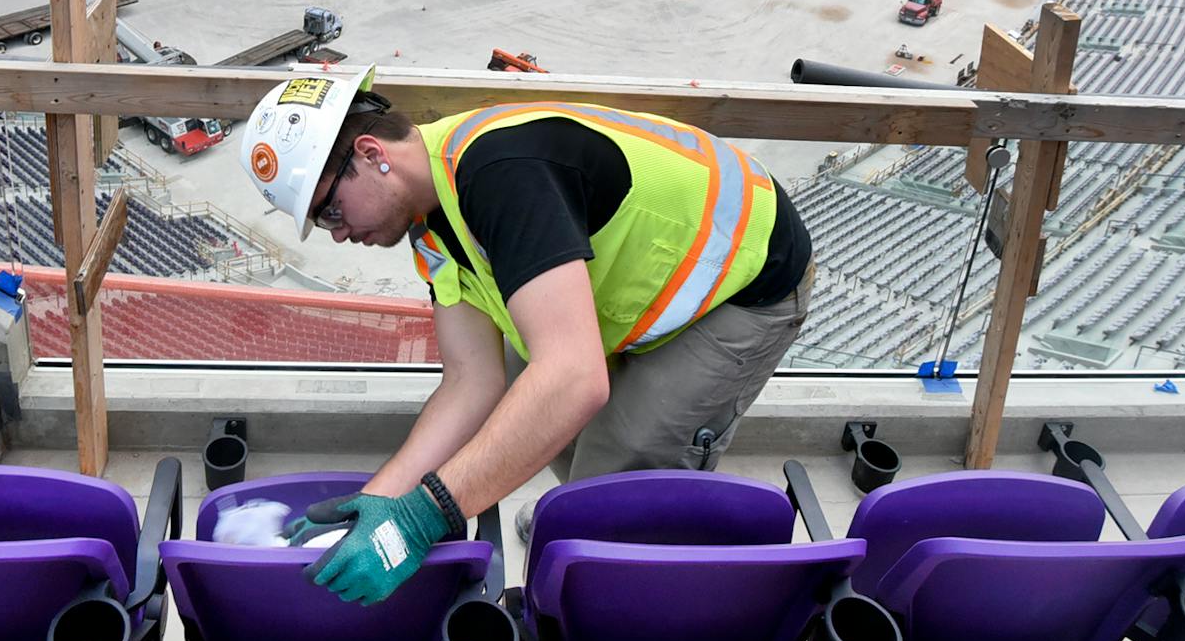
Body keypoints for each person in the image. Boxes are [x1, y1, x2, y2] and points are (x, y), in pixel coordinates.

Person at [241, 67, 815, 605]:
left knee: (619, 474)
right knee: (530, 394)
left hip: (739, 279)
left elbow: (575, 380)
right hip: (645, 279)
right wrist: (380, 501)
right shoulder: (429, 223)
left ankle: (620, 564)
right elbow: (472, 381)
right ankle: (583, 513)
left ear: (371, 155)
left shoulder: (501, 177)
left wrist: (423, 516)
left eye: (330, 212)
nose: (337, 235)